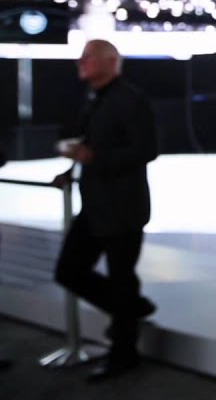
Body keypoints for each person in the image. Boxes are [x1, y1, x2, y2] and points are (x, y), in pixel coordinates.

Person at [52, 40, 158, 381]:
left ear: (111, 62)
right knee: (69, 269)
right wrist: (73, 169)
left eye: (89, 56)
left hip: (124, 205)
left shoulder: (130, 99)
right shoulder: (97, 99)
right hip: (96, 203)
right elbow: (92, 144)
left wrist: (95, 159)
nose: (81, 62)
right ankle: (131, 309)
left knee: (120, 277)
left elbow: (147, 149)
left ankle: (124, 354)